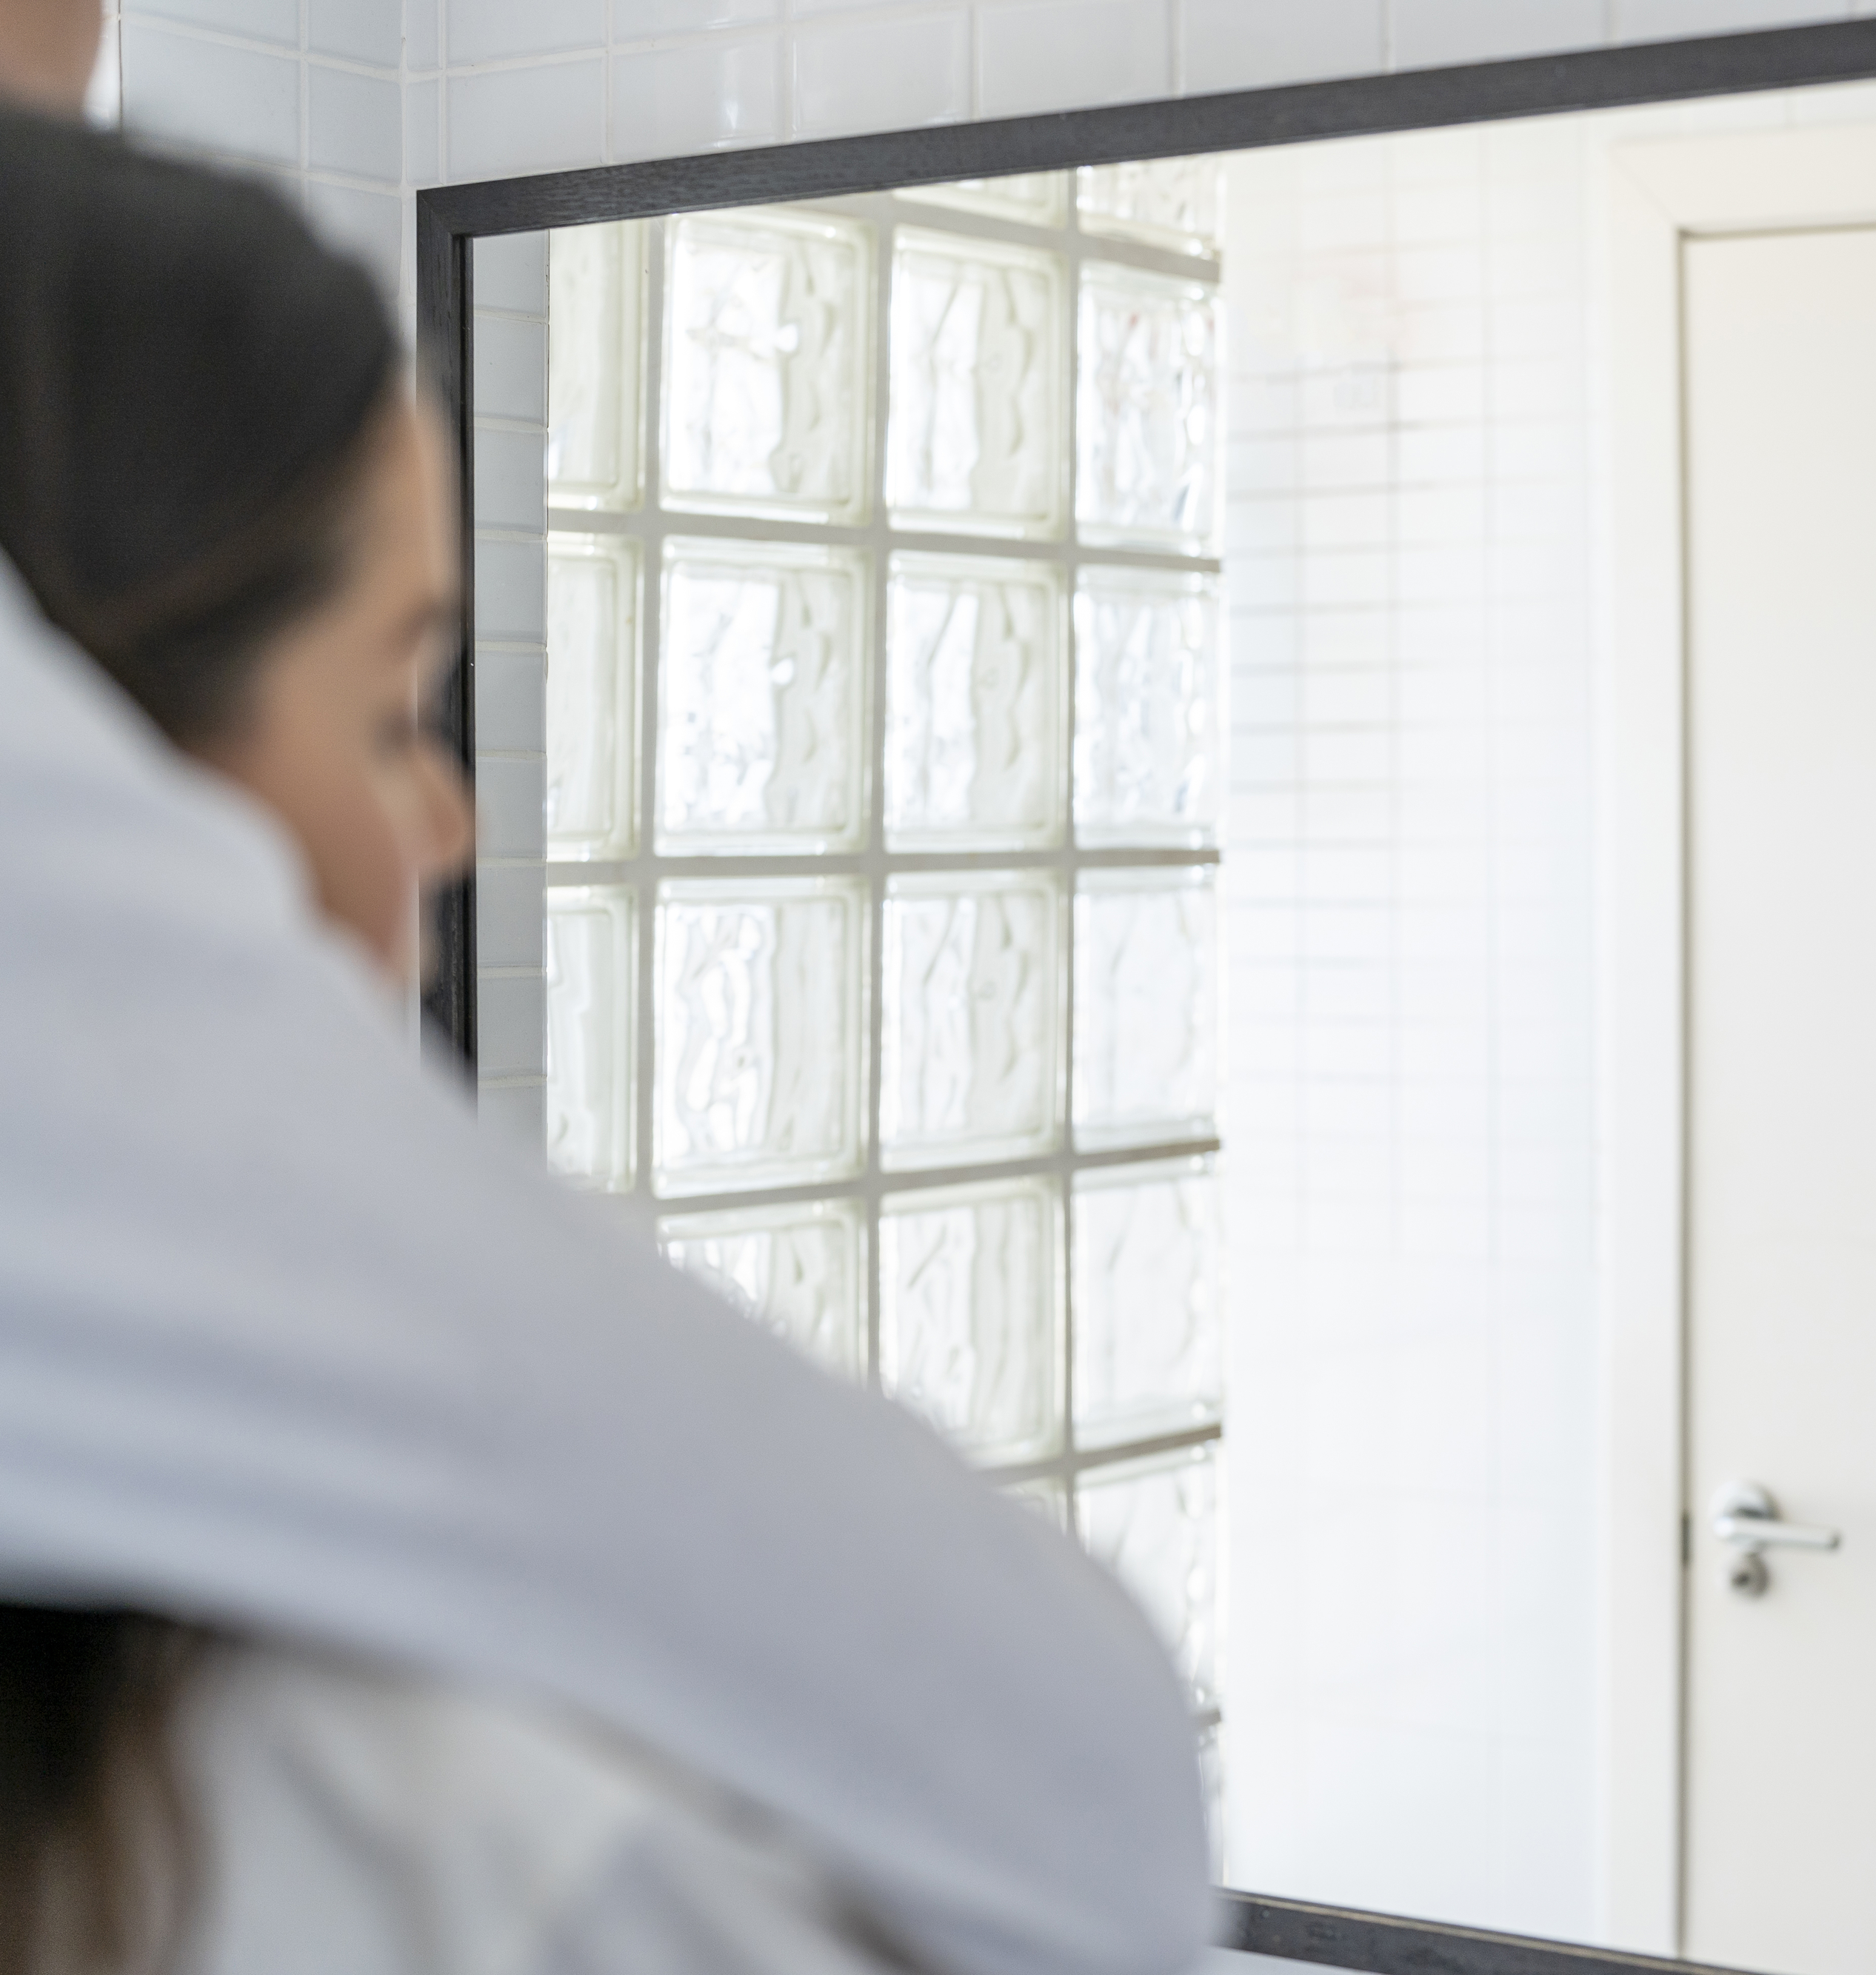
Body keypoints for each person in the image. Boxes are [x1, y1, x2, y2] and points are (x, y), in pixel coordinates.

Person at [0, 106, 1208, 1975]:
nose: (455, 815)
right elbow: (1084, 1816)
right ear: (120, 816)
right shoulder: (415, 1834)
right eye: (398, 700)